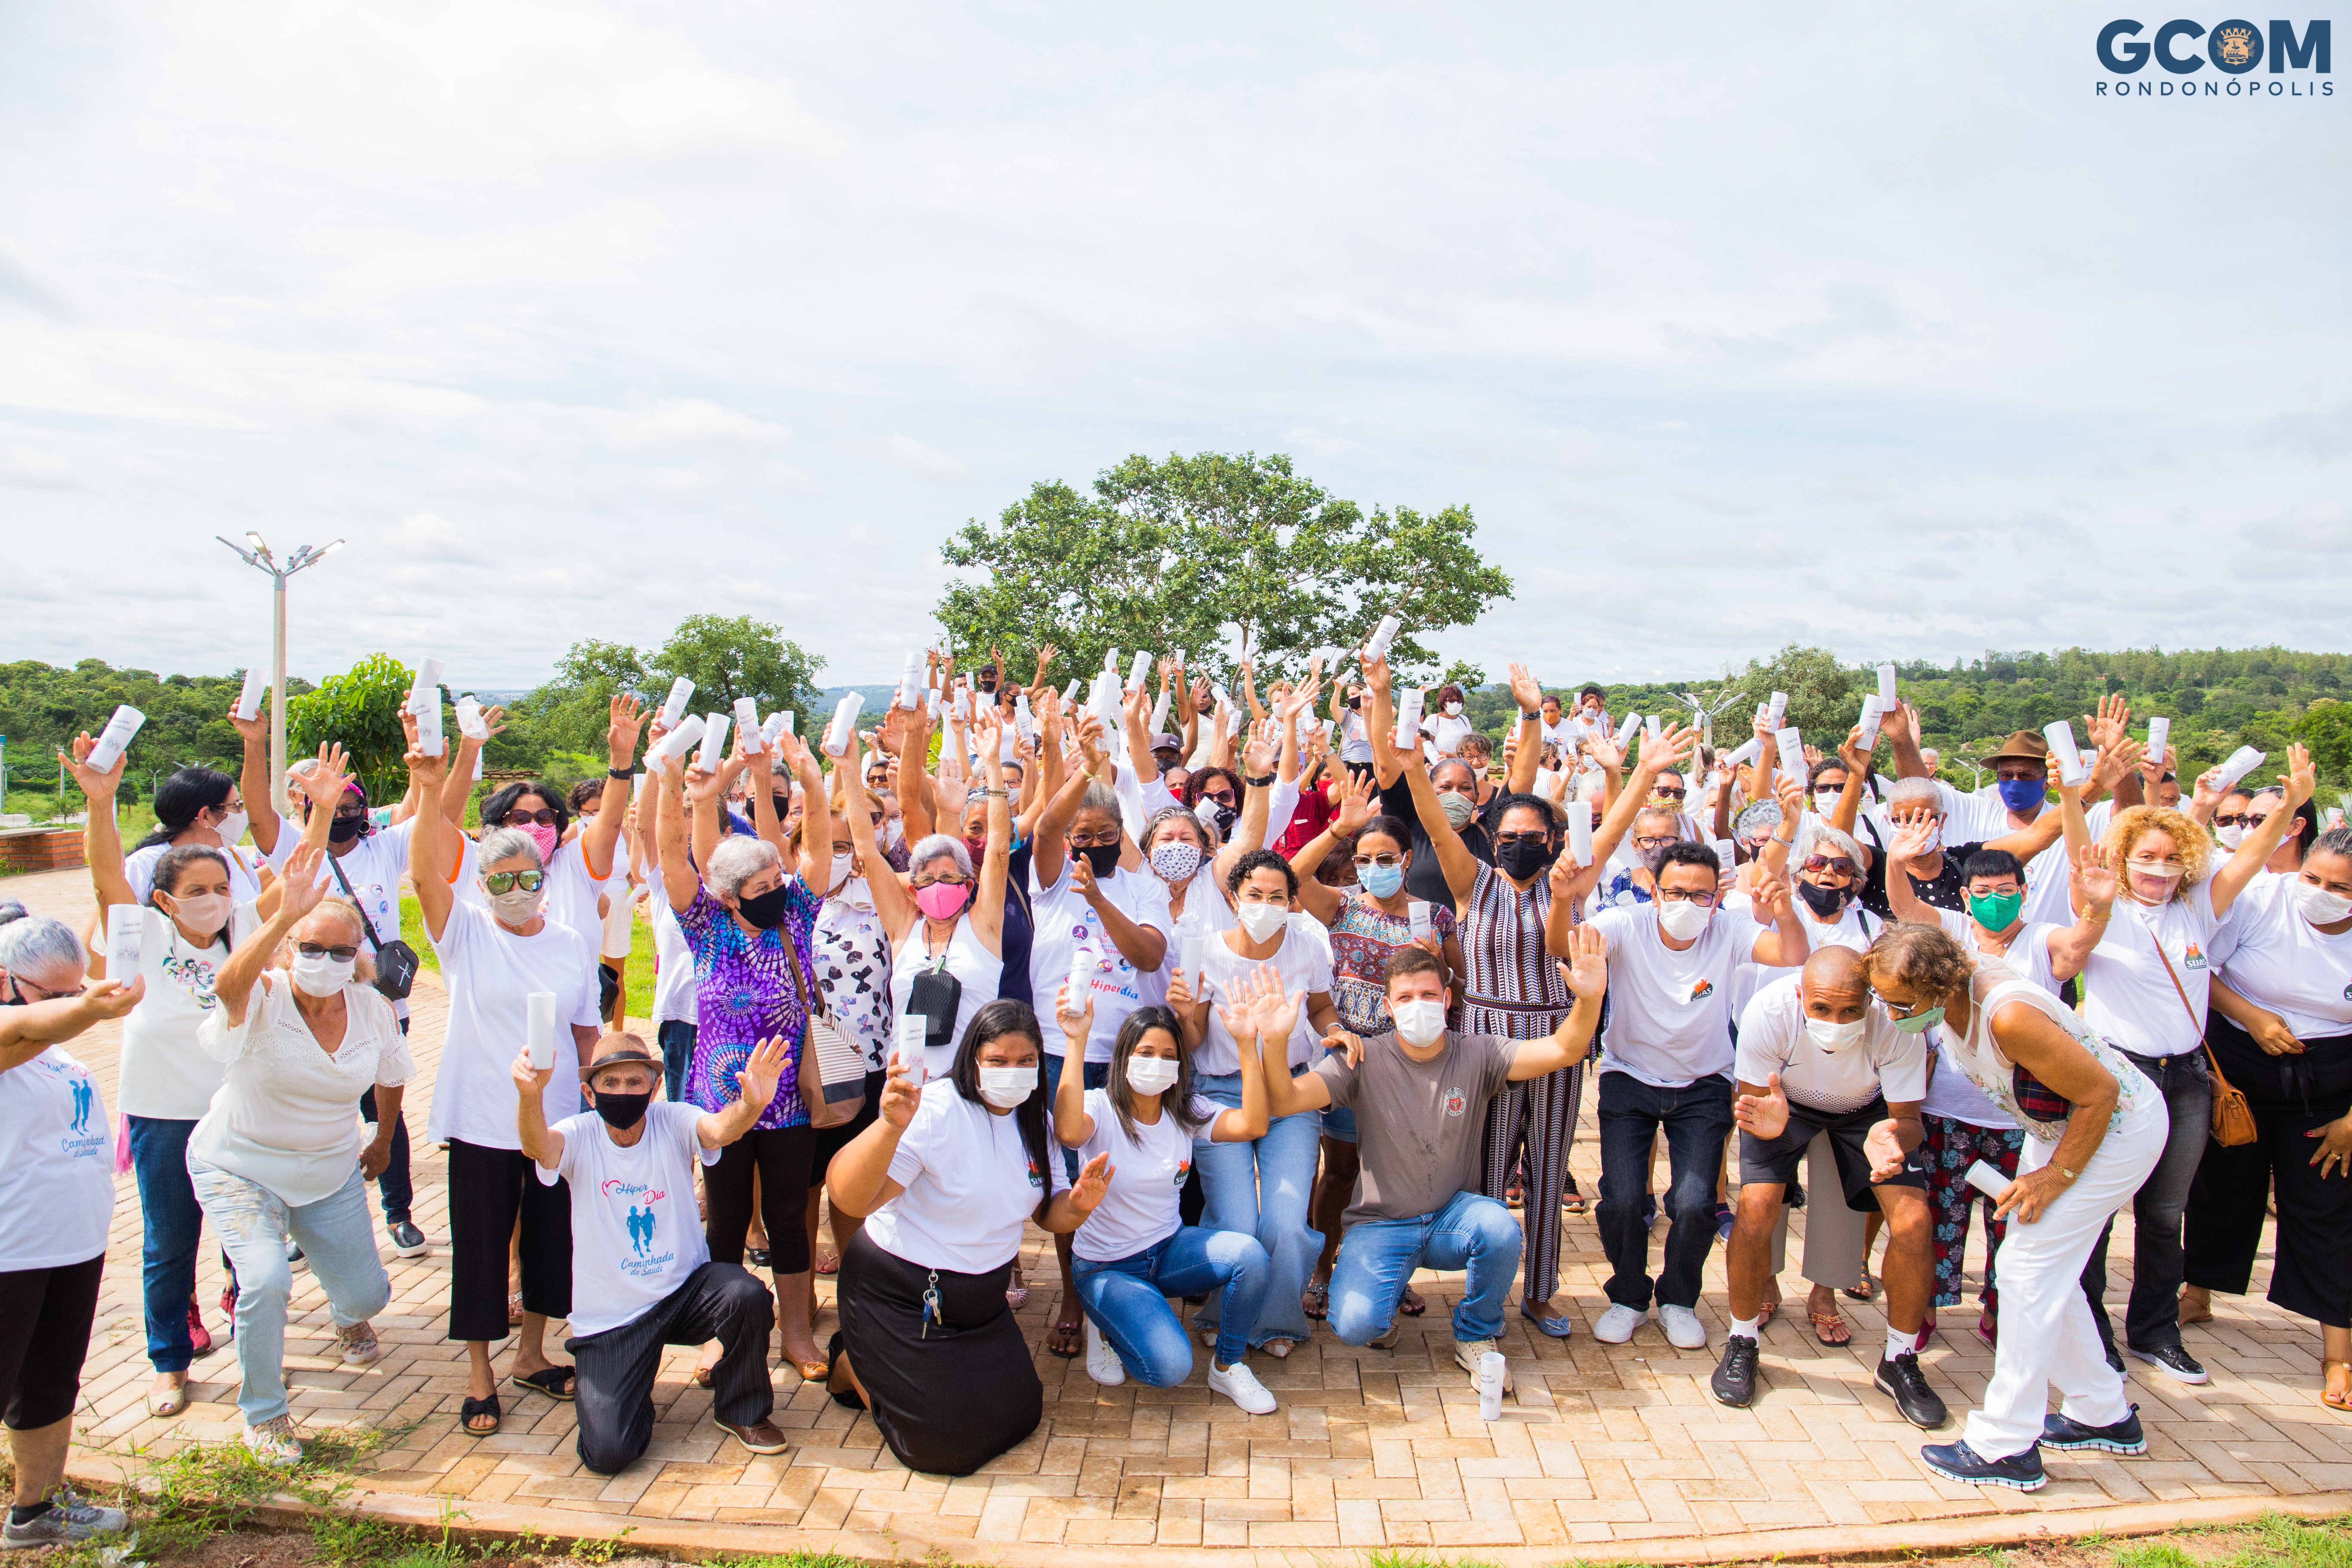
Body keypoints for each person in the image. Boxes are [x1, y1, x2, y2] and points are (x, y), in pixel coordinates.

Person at [1866, 924, 2165, 1492]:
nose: (1890, 1012)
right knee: (2044, 1269)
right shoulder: (1943, 1005)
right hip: (2057, 1129)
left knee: (2026, 1273)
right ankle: (2101, 1413)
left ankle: (2005, 1446)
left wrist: (2057, 1176)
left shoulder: (2007, 1016)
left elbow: (2100, 1095)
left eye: (1899, 1002)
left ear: (1941, 988)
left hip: (2117, 1131)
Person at [1257, 937, 1606, 1391]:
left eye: (1427, 995)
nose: (1417, 1006)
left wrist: (1590, 998)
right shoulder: (1362, 1059)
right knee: (1355, 1327)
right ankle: (1385, 1303)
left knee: (1500, 1227)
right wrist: (1273, 1041)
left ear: (1446, 999)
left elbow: (1563, 1050)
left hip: (1452, 1219)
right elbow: (1285, 1099)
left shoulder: (1479, 1053)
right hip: (1381, 1225)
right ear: (1388, 1004)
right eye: (1405, 997)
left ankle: (1477, 1333)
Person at [1375, 661, 1608, 1336]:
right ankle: (1482, 1297)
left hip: (1556, 1040)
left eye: (1534, 839)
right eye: (1510, 838)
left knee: (1548, 1167)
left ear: (1554, 842)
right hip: (1485, 1038)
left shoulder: (1566, 885)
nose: (1520, 846)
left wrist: (1566, 892)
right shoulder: (1472, 881)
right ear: (1493, 837)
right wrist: (1415, 767)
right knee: (1484, 1169)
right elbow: (1435, 825)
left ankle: (1540, 1293)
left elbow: (1564, 949)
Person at [2070, 745, 2313, 1386]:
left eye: (2173, 858)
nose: (2160, 869)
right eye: (2146, 857)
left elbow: (2254, 858)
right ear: (2122, 860)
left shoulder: (2197, 908)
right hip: (2119, 1079)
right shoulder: (2102, 908)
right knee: (2098, 1208)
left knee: (2165, 1213)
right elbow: (2078, 852)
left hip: (2185, 1080)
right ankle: (2090, 1331)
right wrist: (2075, 796)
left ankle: (2154, 1331)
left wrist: (2287, 805)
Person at [65, 728, 282, 1417]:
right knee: (168, 1240)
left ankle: (256, 1346)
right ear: (164, 899)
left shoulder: (240, 928)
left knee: (249, 1236)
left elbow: (294, 886)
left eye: (221, 887)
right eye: (197, 890)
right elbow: (105, 878)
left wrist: (314, 811)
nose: (214, 897)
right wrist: (101, 805)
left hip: (237, 1109)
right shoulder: (146, 936)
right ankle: (169, 1362)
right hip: (162, 1111)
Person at [406, 734, 608, 1437]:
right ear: (483, 885)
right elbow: (427, 870)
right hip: (482, 1117)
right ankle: (479, 1372)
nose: (517, 891)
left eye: (529, 879)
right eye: (502, 880)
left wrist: (596, 1091)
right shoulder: (462, 933)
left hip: (551, 1120)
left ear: (544, 882)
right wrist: (433, 789)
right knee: (484, 1244)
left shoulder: (570, 945)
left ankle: (531, 1353)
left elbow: (586, 1029)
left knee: (553, 1241)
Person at [825, 1000, 1111, 1476]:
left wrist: (1079, 1205)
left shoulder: (1034, 1122)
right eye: (998, 1061)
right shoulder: (934, 1111)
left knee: (1021, 1413)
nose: (1012, 1073)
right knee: (944, 1448)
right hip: (903, 1294)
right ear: (972, 1060)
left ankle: (895, 1371)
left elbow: (1048, 1216)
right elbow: (853, 1199)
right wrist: (890, 1126)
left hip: (981, 1304)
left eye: (1026, 1062)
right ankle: (851, 1364)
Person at [190, 838, 406, 1465]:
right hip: (241, 1163)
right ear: (288, 950)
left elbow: (390, 1076)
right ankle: (265, 1414)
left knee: (368, 1295)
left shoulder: (371, 1009)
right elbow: (226, 988)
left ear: (358, 956)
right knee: (264, 1279)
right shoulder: (262, 994)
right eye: (311, 948)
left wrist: (384, 1139)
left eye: (341, 951)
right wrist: (284, 913)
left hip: (330, 1165)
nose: (325, 960)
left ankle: (348, 1317)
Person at [516, 1035, 793, 1472]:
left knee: (747, 1294)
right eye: (611, 1082)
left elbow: (721, 1129)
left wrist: (752, 1105)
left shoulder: (673, 1119)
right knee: (609, 1455)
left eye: (634, 1081)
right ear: (590, 1092)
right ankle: (630, 1389)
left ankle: (742, 1408)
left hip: (685, 1293)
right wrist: (529, 1098)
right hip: (612, 1318)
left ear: (654, 1086)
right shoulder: (579, 1133)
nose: (623, 1092)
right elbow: (539, 1147)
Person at [1887, 842, 2118, 1345]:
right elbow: (1906, 910)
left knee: (2011, 1225)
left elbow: (2077, 946)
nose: (1995, 901)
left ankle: (2000, 1313)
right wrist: (1896, 857)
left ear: (2024, 893)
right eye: (1985, 892)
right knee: (1937, 1219)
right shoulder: (1949, 934)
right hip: (1946, 1109)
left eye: (2007, 891)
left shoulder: (2041, 939)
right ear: (1967, 897)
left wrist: (2097, 909)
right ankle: (1923, 1310)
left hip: (2020, 1121)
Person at [656, 726, 833, 1381]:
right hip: (722, 1103)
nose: (777, 887)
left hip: (786, 1100)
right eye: (762, 883)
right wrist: (685, 791)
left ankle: (795, 1335)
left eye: (776, 876)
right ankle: (723, 1339)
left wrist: (811, 778)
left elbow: (816, 848)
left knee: (788, 1219)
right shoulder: (705, 928)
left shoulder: (797, 918)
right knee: (726, 1220)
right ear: (730, 895)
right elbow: (674, 861)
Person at [1586, 839, 1810, 1350]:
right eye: (1677, 892)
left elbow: (1792, 954)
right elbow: (1573, 940)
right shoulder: (1627, 923)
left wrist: (1786, 913)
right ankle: (1628, 1296)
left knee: (1694, 1204)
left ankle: (1678, 1299)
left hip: (1705, 1084)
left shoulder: (1729, 928)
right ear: (1655, 890)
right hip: (1630, 1077)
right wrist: (1566, 899)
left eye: (1702, 896)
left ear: (1717, 897)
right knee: (1621, 1199)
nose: (1688, 904)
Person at [1711, 949, 1946, 1428]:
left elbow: (1911, 1121)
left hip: (1868, 1114)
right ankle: (1742, 1342)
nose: (1835, 1022)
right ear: (1801, 996)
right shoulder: (1769, 1011)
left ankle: (1899, 1361)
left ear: (1870, 1001)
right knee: (1756, 1208)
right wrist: (1767, 1120)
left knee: (1916, 1222)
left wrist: (1894, 1137)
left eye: (1850, 1011)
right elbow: (1749, 1101)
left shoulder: (1897, 1026)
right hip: (1784, 1106)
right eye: (1821, 1009)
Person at [2182, 824, 2352, 1412]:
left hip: (2332, 1083)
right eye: (2313, 877)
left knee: (2327, 1207)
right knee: (2222, 1187)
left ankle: (2338, 1352)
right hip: (2241, 1066)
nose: (2320, 892)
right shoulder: (2265, 898)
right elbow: (2199, 969)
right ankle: (2198, 1290)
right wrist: (2251, 1015)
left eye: (2340, 888)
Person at [1286, 773, 1461, 1322]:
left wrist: (1438, 959)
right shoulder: (1342, 908)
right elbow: (1291, 876)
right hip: (1350, 1057)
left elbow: (1461, 984)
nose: (1375, 868)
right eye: (1365, 859)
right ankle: (1322, 1268)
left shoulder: (1434, 916)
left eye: (1386, 858)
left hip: (1410, 1067)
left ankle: (1396, 1272)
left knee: (1395, 1176)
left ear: (1407, 860)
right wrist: (1339, 827)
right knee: (1338, 1173)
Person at [1050, 991, 1276, 1412]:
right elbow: (1067, 1132)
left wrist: (1248, 1044)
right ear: (1124, 1057)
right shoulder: (1100, 1108)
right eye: (1146, 1052)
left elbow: (1253, 1123)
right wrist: (1075, 1041)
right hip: (1107, 1266)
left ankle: (1227, 1367)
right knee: (1169, 1368)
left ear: (1178, 1066)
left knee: (1250, 1255)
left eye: (1167, 1054)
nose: (1156, 1062)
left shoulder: (1184, 1109)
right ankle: (1108, 1324)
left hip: (1168, 1251)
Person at [1167, 848, 1352, 1356]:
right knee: (1238, 1224)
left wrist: (1334, 1030)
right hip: (1219, 1095)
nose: (1265, 905)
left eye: (1277, 896)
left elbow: (1319, 1005)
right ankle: (1223, 1313)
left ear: (1293, 901)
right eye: (1254, 895)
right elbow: (1195, 1035)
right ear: (1233, 898)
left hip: (1288, 1092)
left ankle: (1277, 1322)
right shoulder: (1203, 950)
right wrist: (1185, 1014)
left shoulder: (1308, 948)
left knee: (1287, 1223)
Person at [1029, 735, 1174, 1359]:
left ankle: (1121, 1285)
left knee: (1115, 1175)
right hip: (1059, 1050)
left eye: (1104, 832)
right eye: (1080, 835)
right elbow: (1043, 827)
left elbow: (1148, 955)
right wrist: (1086, 767)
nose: (1091, 845)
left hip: (1120, 1053)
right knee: (1068, 1180)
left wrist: (1102, 899)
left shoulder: (1141, 888)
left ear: (1123, 832)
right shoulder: (1053, 877)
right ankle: (1071, 1293)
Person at [0, 911, 134, 1549]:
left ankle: (36, 1509)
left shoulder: (53, 1055)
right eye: (52, 993)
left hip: (71, 1247)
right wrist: (90, 1009)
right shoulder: (11, 1033)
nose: (65, 1007)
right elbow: (26, 1024)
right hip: (10, 1254)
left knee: (52, 1382)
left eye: (73, 991)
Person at [276, 753, 435, 1259]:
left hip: (378, 1005)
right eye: (330, 804)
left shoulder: (381, 849)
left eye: (351, 803)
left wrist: (423, 766)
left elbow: (423, 808)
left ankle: (399, 1213)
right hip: (309, 1005)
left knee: (384, 1108)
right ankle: (300, 1221)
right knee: (308, 1112)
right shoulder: (296, 852)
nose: (343, 811)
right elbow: (259, 815)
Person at [883, 709, 1013, 1081]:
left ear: (968, 883)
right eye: (928, 877)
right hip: (907, 1086)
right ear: (913, 886)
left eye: (949, 876)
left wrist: (992, 767)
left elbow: (999, 851)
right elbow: (900, 818)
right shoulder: (906, 930)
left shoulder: (984, 924)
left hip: (972, 1086)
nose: (938, 884)